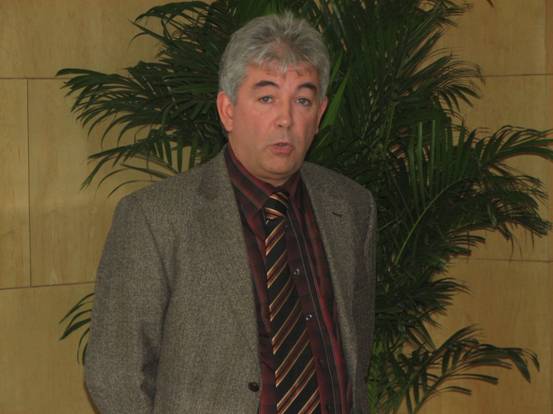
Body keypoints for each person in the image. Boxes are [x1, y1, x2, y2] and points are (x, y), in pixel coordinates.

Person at [85, 12, 376, 414]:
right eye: (267, 98)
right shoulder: (155, 218)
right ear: (227, 109)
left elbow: (356, 354)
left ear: (320, 114)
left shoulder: (351, 206)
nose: (286, 119)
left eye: (302, 100)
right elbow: (113, 374)